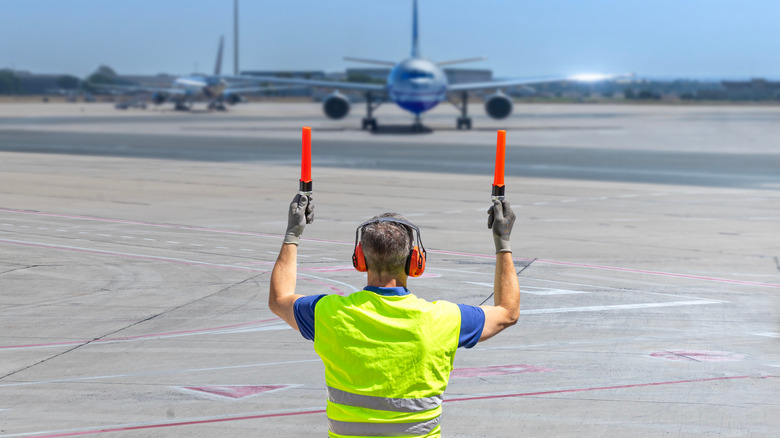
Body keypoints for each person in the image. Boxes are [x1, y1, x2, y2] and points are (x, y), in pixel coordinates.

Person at [269, 193, 519, 438]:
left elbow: (279, 299)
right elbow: (507, 312)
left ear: (360, 259)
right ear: (415, 261)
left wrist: (293, 234)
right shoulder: (443, 319)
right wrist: (503, 242)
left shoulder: (330, 313)